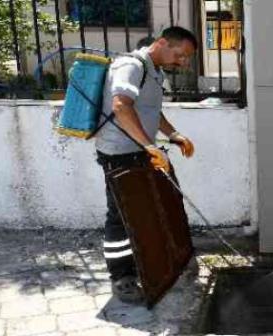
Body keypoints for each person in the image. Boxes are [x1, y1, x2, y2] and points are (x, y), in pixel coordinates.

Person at [94, 26, 198, 304]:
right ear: (163, 43)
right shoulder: (130, 65)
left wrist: (173, 135)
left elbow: (151, 110)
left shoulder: (155, 71)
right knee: (120, 216)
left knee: (149, 208)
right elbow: (121, 106)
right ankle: (122, 279)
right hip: (118, 154)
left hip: (139, 150)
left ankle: (153, 266)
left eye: (187, 58)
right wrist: (150, 146)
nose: (184, 62)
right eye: (181, 55)